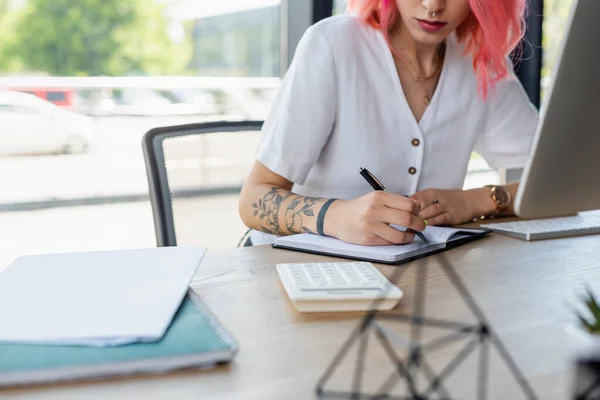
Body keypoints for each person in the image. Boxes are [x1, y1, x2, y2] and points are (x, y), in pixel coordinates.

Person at [238, 0, 538, 247]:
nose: (433, 6)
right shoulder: (333, 44)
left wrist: (476, 201)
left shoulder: (480, 63)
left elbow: (560, 181)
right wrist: (338, 216)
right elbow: (253, 201)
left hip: (419, 278)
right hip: (294, 269)